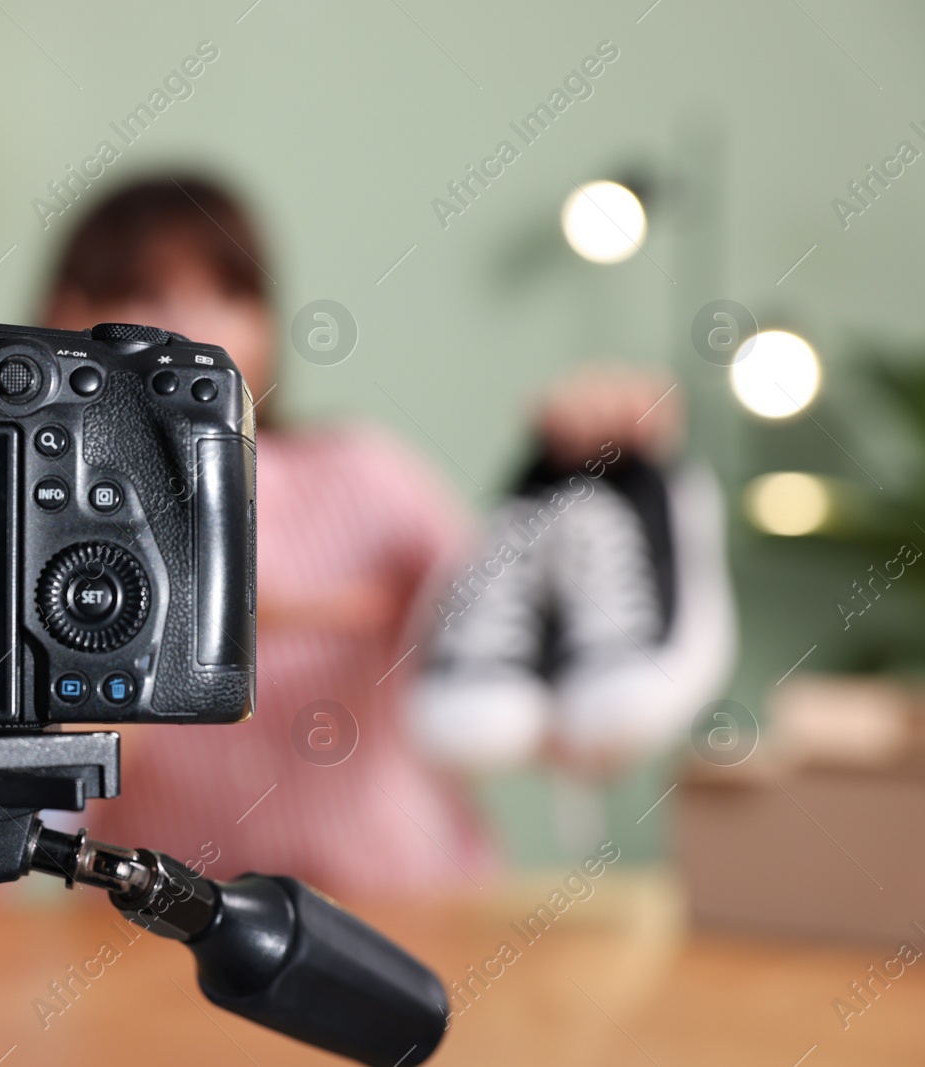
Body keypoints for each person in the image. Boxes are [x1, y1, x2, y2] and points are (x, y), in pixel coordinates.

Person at [42, 177, 695, 896]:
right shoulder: (40, 526)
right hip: (168, 939)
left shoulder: (365, 476)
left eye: (232, 292)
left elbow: (535, 682)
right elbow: (46, 804)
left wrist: (594, 464)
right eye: (148, 293)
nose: (195, 326)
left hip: (412, 906)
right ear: (69, 315)